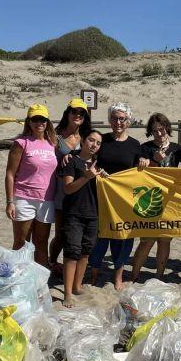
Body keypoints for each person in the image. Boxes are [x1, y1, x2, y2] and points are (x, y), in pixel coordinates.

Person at [87, 102, 148, 290]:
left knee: (123, 238)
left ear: (128, 121)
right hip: (101, 198)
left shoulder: (135, 145)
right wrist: (97, 171)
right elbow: (89, 160)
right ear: (109, 120)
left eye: (122, 119)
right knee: (100, 238)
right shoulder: (102, 141)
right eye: (114, 118)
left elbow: (140, 167)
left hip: (124, 201)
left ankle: (118, 276)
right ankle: (94, 274)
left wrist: (144, 161)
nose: (118, 122)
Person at [129, 113, 181, 281]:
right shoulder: (145, 148)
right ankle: (134, 276)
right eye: (155, 130)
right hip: (150, 200)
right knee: (147, 240)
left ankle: (158, 277)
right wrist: (150, 161)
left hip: (170, 201)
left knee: (165, 241)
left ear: (167, 128)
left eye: (161, 129)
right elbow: (137, 169)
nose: (159, 133)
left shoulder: (177, 148)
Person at [4, 103, 58, 268]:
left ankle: (40, 282)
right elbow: (10, 174)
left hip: (47, 200)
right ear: (29, 121)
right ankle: (17, 279)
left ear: (47, 122)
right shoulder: (21, 143)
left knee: (41, 243)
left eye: (42, 119)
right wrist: (10, 201)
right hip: (24, 198)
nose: (39, 123)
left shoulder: (53, 143)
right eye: (35, 119)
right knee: (21, 243)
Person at [60, 130, 104, 307]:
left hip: (93, 214)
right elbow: (68, 188)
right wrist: (86, 177)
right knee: (72, 252)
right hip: (74, 213)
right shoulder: (72, 161)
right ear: (83, 141)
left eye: (98, 143)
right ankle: (68, 293)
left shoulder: (99, 164)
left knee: (86, 251)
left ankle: (77, 286)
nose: (94, 145)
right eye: (91, 140)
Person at [49, 98, 93, 273]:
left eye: (81, 113)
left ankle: (72, 267)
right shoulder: (55, 136)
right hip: (61, 190)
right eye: (74, 111)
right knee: (61, 233)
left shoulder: (86, 137)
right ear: (67, 113)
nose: (77, 115)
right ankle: (52, 262)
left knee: (78, 234)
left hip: (83, 192)